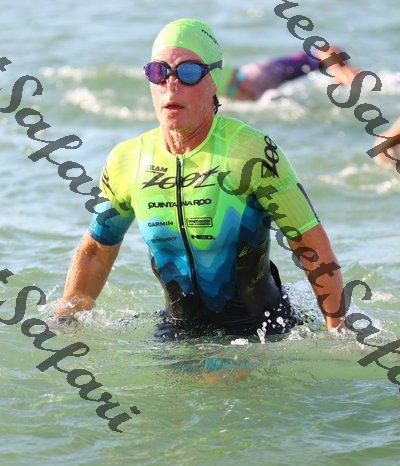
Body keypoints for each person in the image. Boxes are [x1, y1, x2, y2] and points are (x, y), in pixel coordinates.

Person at [51, 18, 345, 338]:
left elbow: (309, 243)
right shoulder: (128, 160)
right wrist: (64, 320)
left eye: (188, 72)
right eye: (158, 72)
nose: (171, 85)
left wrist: (338, 332)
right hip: (178, 333)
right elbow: (96, 249)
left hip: (262, 333)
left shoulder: (251, 152)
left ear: (214, 82)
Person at [218, 46, 358, 101]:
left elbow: (322, 50)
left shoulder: (261, 75)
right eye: (233, 88)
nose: (245, 85)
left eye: (240, 77)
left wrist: (339, 70)